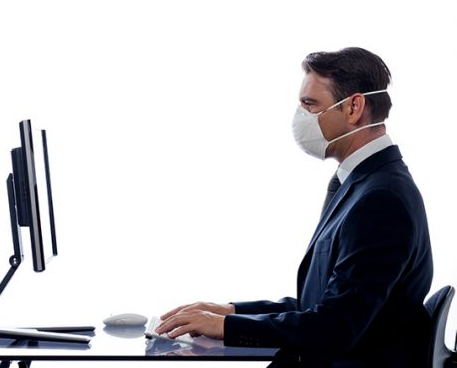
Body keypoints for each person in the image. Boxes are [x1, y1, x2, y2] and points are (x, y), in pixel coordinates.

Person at [156, 47, 434, 367]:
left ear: (354, 106)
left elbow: (336, 327)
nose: (301, 116)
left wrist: (225, 327)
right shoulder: (362, 184)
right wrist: (229, 311)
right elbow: (322, 302)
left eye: (310, 104)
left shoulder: (380, 199)